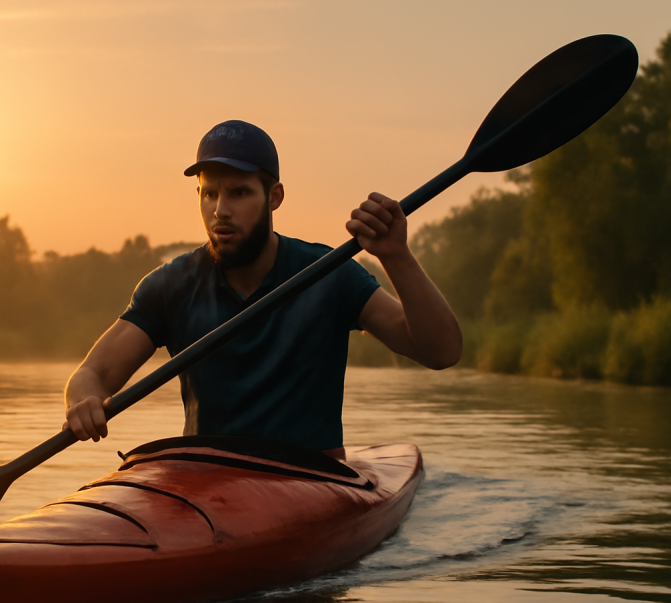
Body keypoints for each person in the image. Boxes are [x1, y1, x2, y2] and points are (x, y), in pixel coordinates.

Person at [65, 120, 461, 454]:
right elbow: (93, 373)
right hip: (206, 484)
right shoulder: (170, 286)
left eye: (238, 192)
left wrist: (396, 256)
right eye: (210, 193)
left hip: (314, 482)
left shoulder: (330, 273)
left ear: (274, 197)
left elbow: (441, 351)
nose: (220, 209)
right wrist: (82, 400)